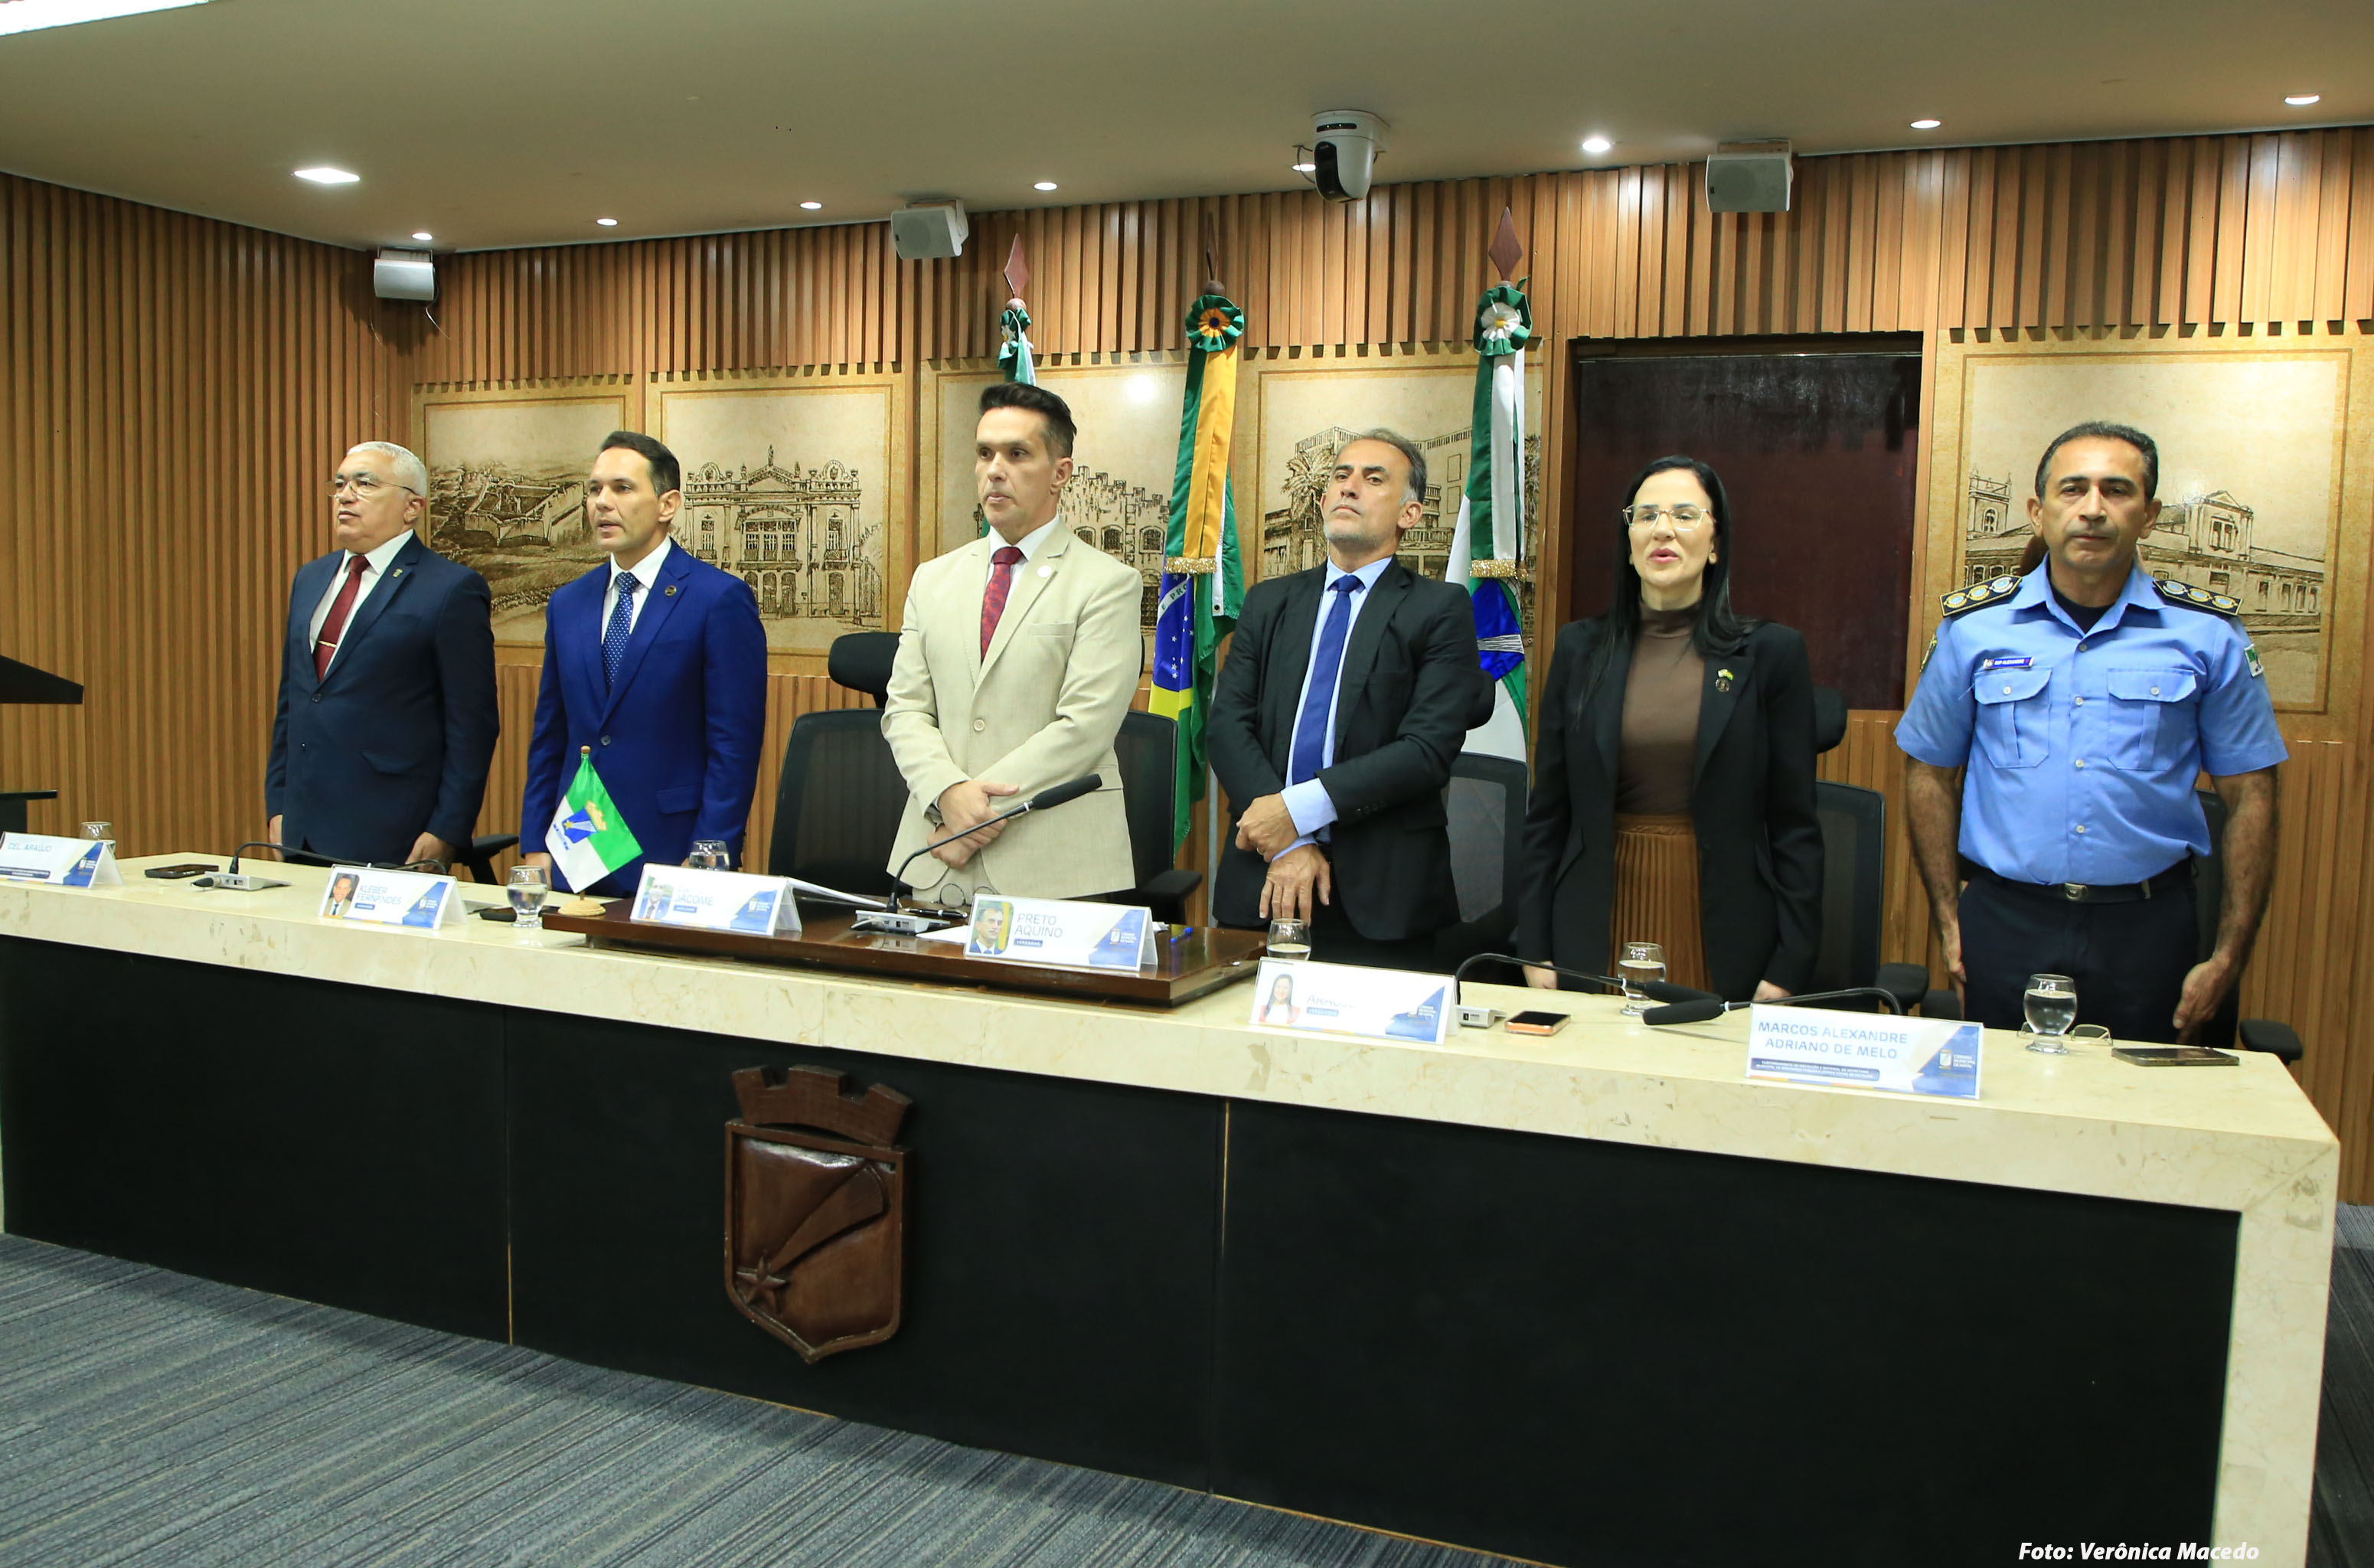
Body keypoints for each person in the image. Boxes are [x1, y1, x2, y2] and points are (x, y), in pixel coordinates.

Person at [1896, 420, 2285, 1043]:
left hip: (2148, 929)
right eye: (2072, 489)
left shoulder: (2207, 635)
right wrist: (1948, 919)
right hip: (2005, 921)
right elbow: (1928, 775)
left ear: (2149, 515)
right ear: (2037, 512)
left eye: (2117, 490)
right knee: (2002, 1098)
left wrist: (2228, 955)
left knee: (2139, 1101)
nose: (2093, 509)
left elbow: (2252, 795)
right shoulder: (1973, 630)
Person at [1515, 456, 1823, 1001]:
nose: (1662, 530)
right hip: (1593, 914)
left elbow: (1794, 825)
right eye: (1645, 516)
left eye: (1684, 515)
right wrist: (1533, 945)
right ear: (1628, 540)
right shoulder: (1579, 649)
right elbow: (1548, 813)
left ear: (1715, 543)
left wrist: (1790, 963)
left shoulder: (1770, 654)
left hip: (1723, 923)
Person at [1207, 430, 1492, 971]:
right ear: (1323, 500)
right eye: (1341, 476)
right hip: (1263, 878)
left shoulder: (1439, 609)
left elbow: (1426, 750)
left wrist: (1295, 811)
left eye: (1373, 479)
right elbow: (1227, 726)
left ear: (1409, 513)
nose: (1349, 487)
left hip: (1382, 894)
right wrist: (1287, 841)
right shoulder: (1269, 603)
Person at [882, 383, 1141, 905]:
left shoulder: (1107, 583)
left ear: (1060, 473)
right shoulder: (932, 579)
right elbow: (905, 710)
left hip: (1051, 866)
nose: (995, 470)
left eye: (1017, 454)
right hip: (936, 858)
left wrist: (972, 816)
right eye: (985, 454)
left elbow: (1084, 726)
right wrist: (946, 794)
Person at [519, 431, 767, 897]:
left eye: (622, 488)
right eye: (595, 489)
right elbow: (550, 735)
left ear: (667, 505)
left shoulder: (717, 599)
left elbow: (733, 746)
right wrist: (535, 842)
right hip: (575, 846)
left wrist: (708, 854)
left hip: (671, 848)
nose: (602, 503)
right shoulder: (568, 603)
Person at [266, 443, 499, 870]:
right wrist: (277, 804)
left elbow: (473, 726)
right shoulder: (311, 578)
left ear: (412, 507)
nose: (345, 495)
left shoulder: (450, 589)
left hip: (394, 831)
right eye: (340, 484)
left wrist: (448, 829)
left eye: (365, 484)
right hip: (301, 828)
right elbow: (294, 702)